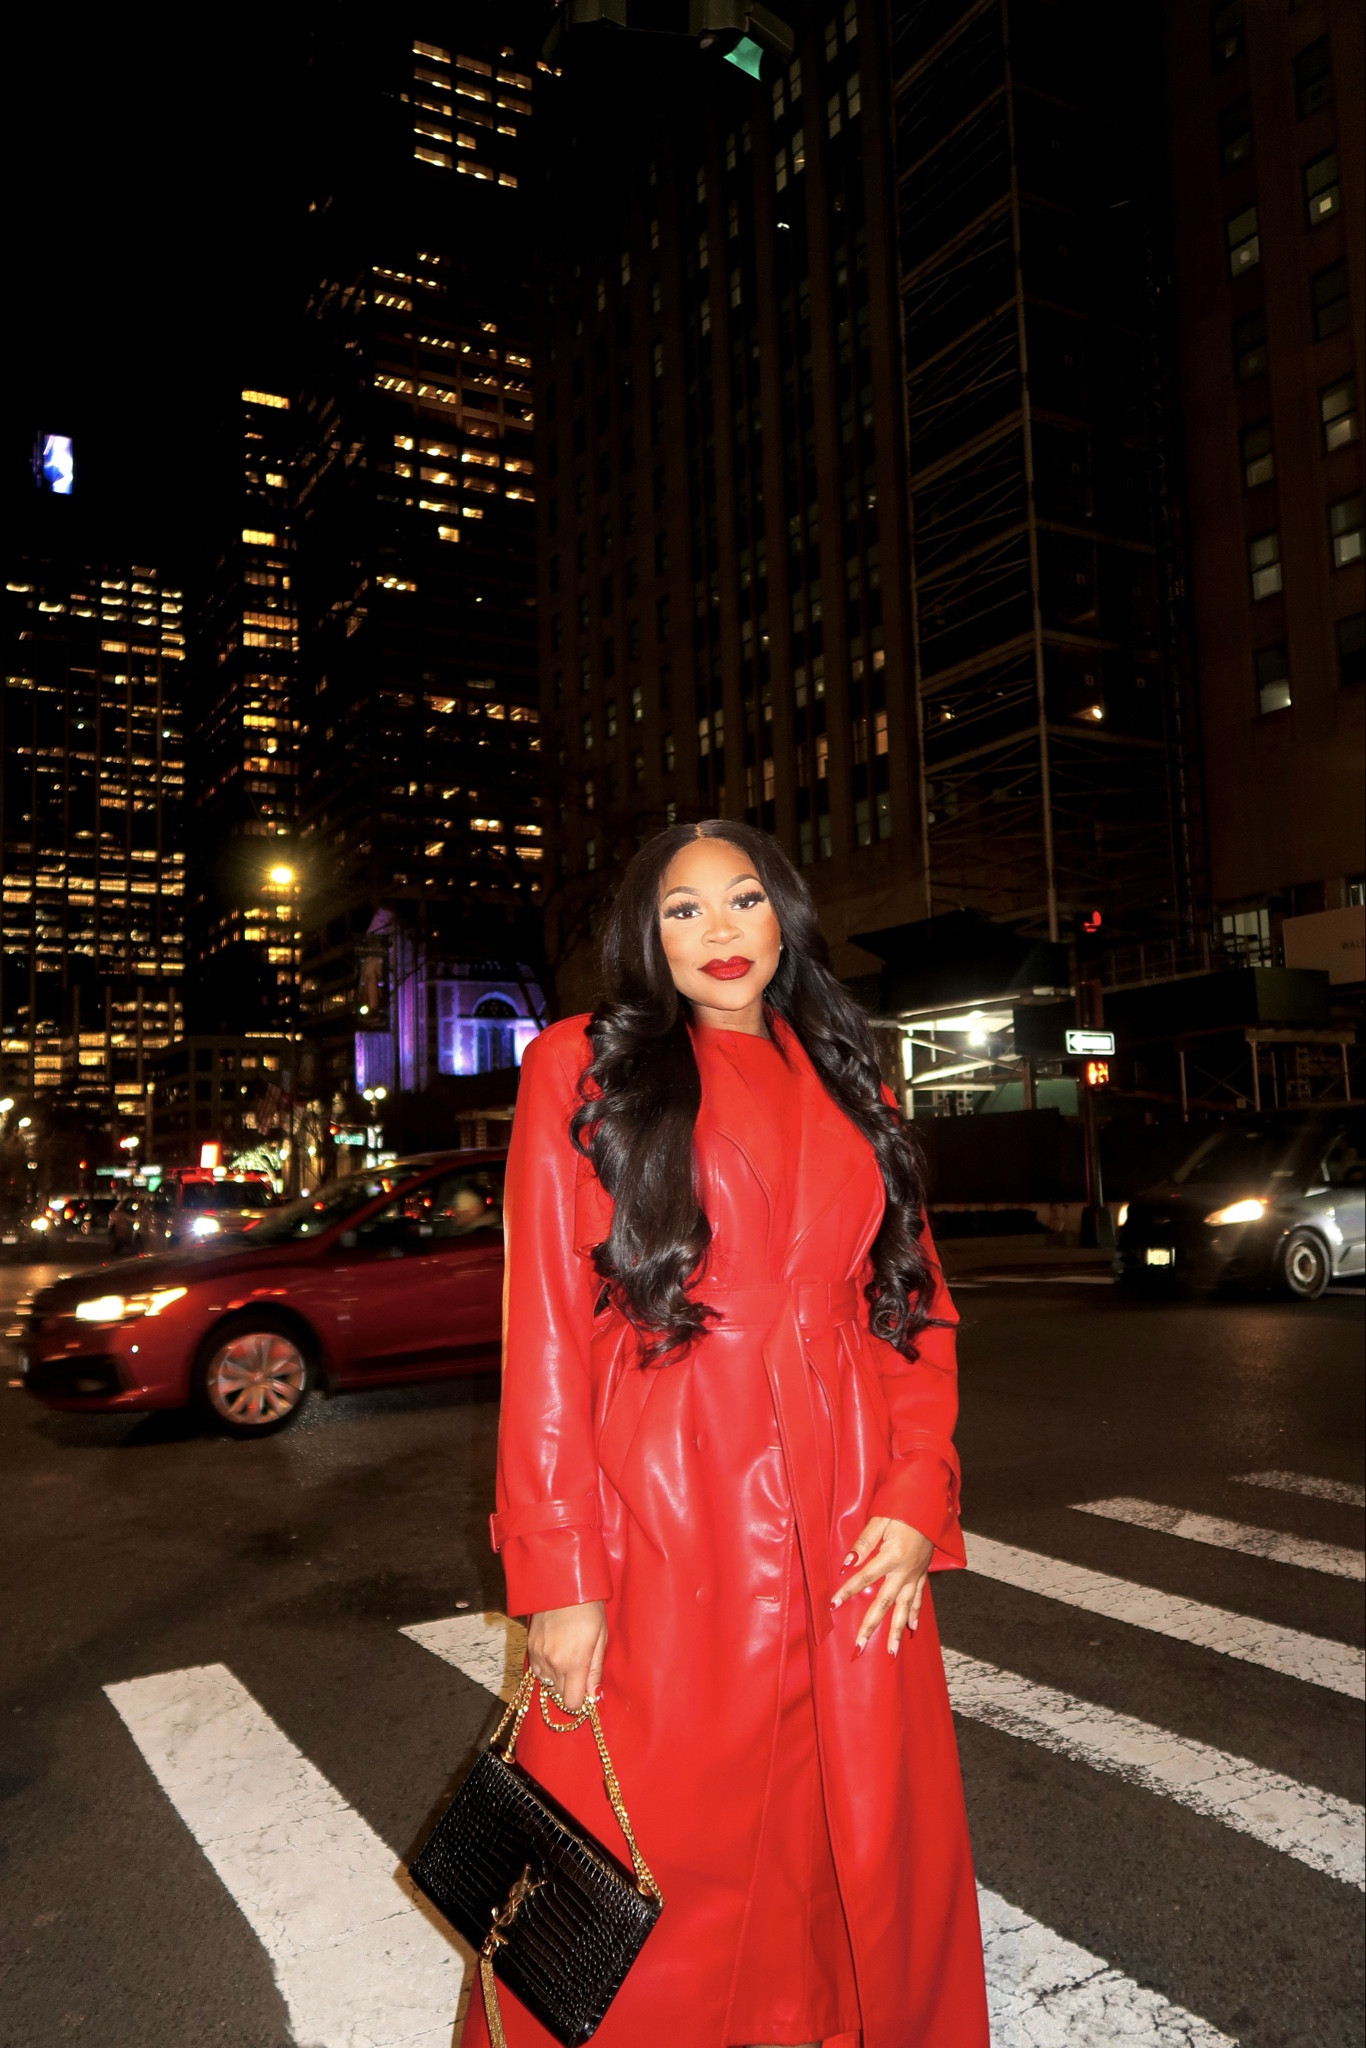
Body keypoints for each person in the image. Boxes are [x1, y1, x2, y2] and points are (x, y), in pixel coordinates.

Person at [468, 820, 989, 2048]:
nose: (717, 930)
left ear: (783, 920)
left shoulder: (850, 1075)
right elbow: (544, 1330)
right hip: (664, 1508)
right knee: (644, 1836)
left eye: (743, 899)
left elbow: (909, 1303)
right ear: (646, 937)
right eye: (682, 908)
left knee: (852, 1828)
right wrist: (559, 1576)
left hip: (852, 1509)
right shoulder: (580, 1069)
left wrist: (918, 1489)